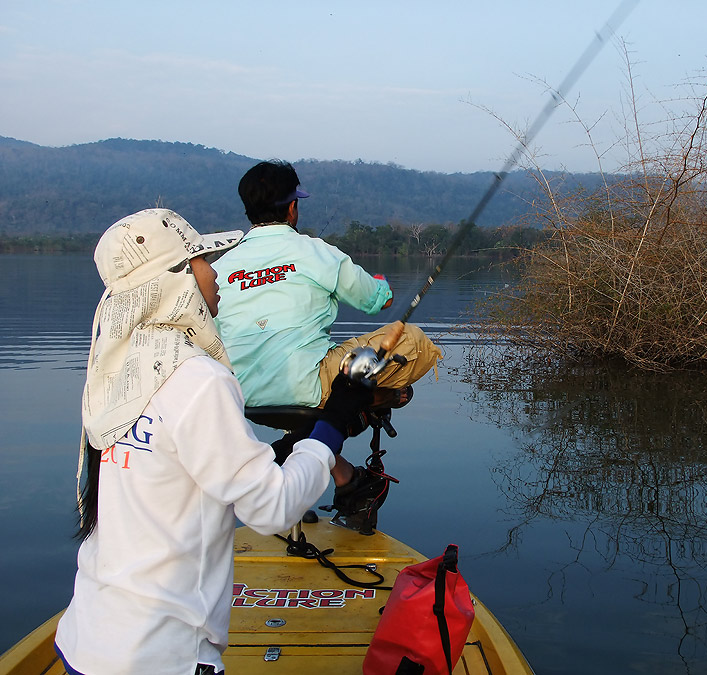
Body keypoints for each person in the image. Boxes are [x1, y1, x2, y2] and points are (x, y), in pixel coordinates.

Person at [53, 208, 371, 675]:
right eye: (204, 259)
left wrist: (281, 452)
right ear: (177, 278)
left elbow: (171, 469)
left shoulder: (113, 371)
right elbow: (272, 509)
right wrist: (333, 423)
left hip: (86, 640)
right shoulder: (197, 379)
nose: (216, 271)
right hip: (163, 656)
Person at [211, 160, 441, 411]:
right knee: (413, 340)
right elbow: (379, 301)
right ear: (292, 208)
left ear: (248, 210)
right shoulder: (316, 252)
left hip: (241, 397)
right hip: (311, 389)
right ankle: (366, 407)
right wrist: (380, 284)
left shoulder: (218, 269)